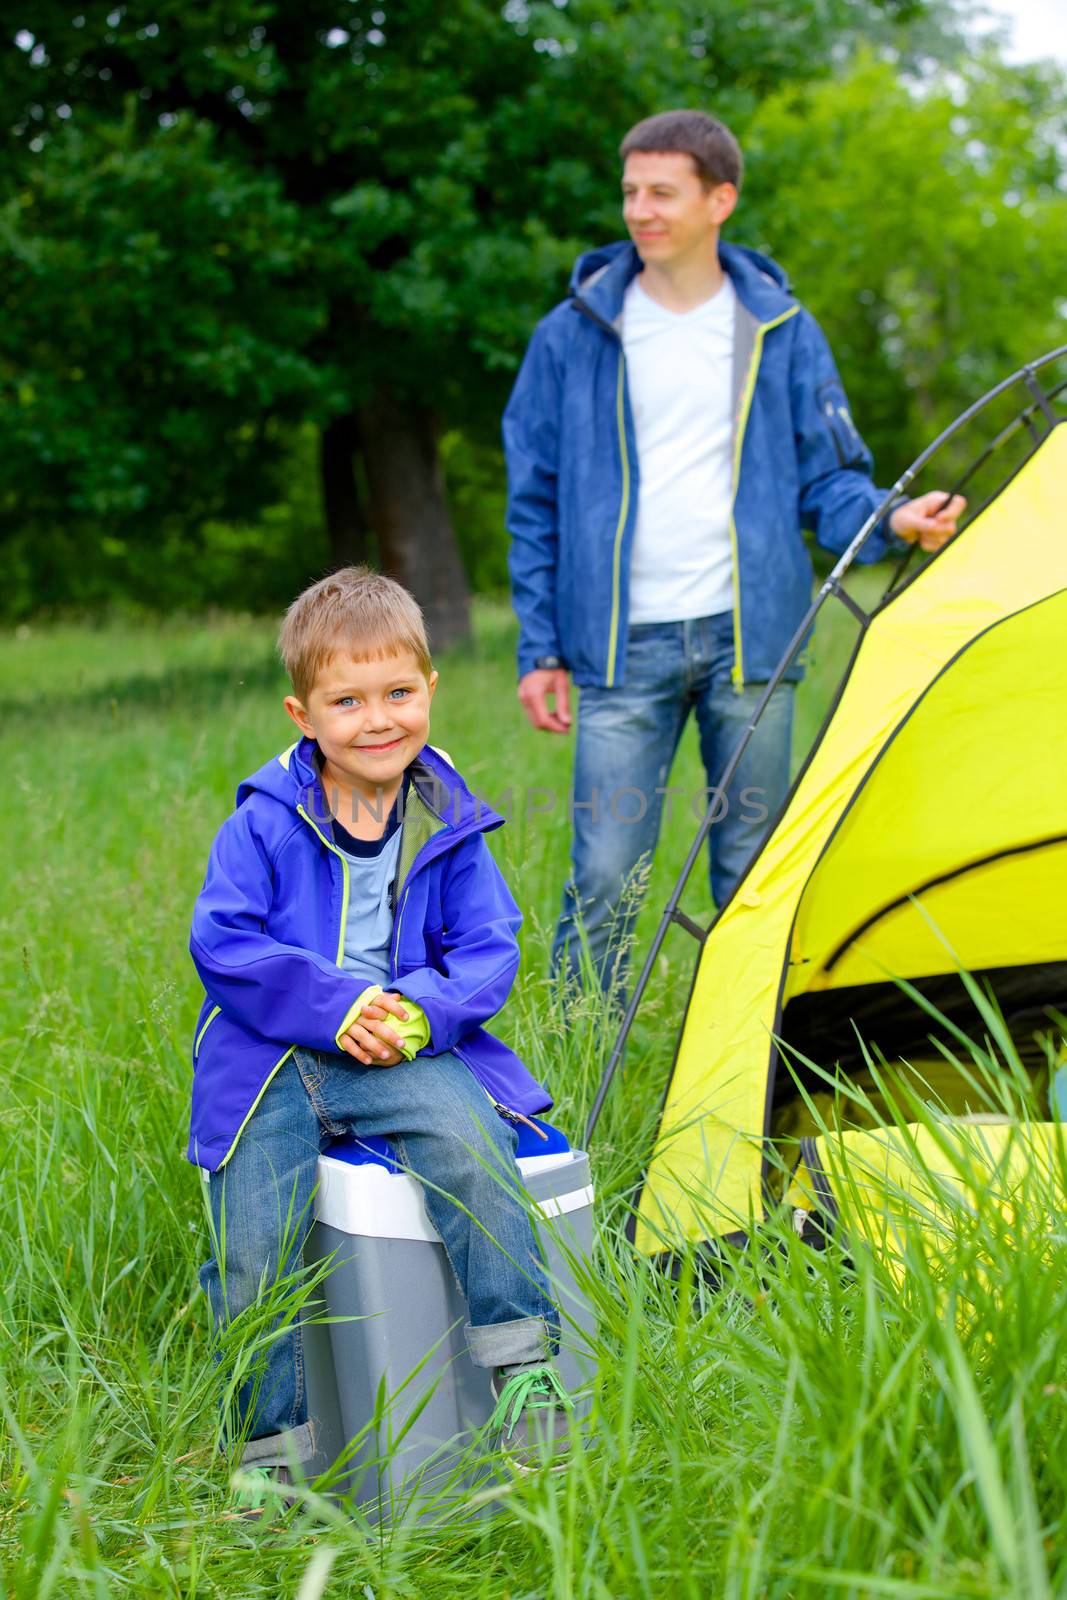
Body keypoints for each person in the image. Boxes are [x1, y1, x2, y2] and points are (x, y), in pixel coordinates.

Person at [504, 109, 964, 992]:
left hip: (750, 643)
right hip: (617, 649)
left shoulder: (780, 328)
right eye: (630, 189)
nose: (639, 209)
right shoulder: (571, 334)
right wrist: (541, 648)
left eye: (661, 192)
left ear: (720, 198)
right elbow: (534, 502)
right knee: (604, 874)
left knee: (752, 870)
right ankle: (564, 1076)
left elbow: (829, 483)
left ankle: (749, 1062)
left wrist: (893, 519)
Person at [188, 566, 573, 1503]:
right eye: (347, 701)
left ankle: (519, 1358)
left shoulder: (446, 819)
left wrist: (422, 1010)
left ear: (430, 690)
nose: (378, 720)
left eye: (398, 693)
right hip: (274, 1057)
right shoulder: (266, 824)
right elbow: (223, 943)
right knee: (253, 1247)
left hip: (399, 1045)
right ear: (302, 713)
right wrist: (335, 1007)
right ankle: (265, 1451)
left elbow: (488, 946)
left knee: (472, 1147)